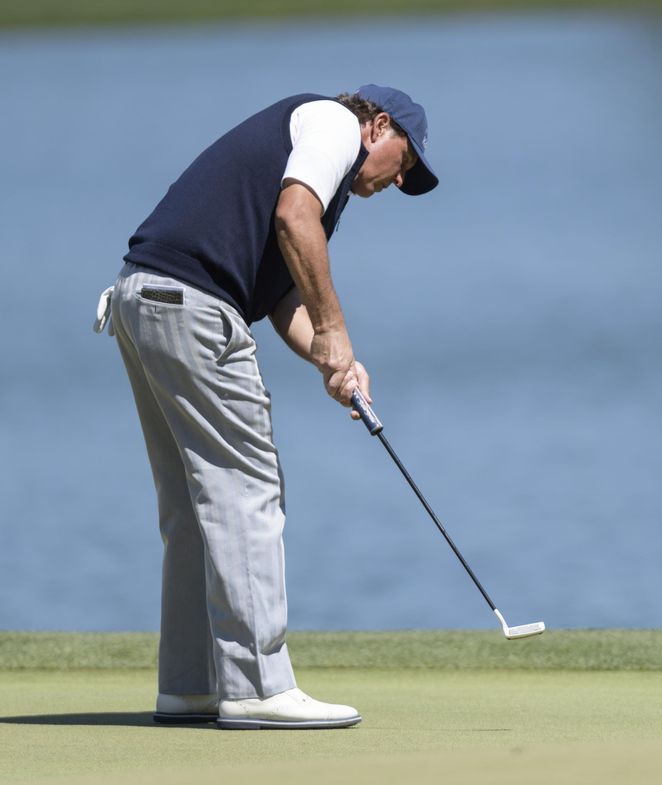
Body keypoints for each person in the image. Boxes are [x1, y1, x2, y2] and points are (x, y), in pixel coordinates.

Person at [94, 85, 438, 730]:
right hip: (192, 304)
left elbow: (282, 298)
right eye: (404, 163)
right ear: (379, 126)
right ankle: (256, 685)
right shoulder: (335, 123)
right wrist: (337, 329)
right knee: (247, 489)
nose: (397, 180)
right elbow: (292, 219)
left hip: (144, 297)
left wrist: (333, 361)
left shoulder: (316, 175)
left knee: (195, 505)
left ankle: (191, 685)